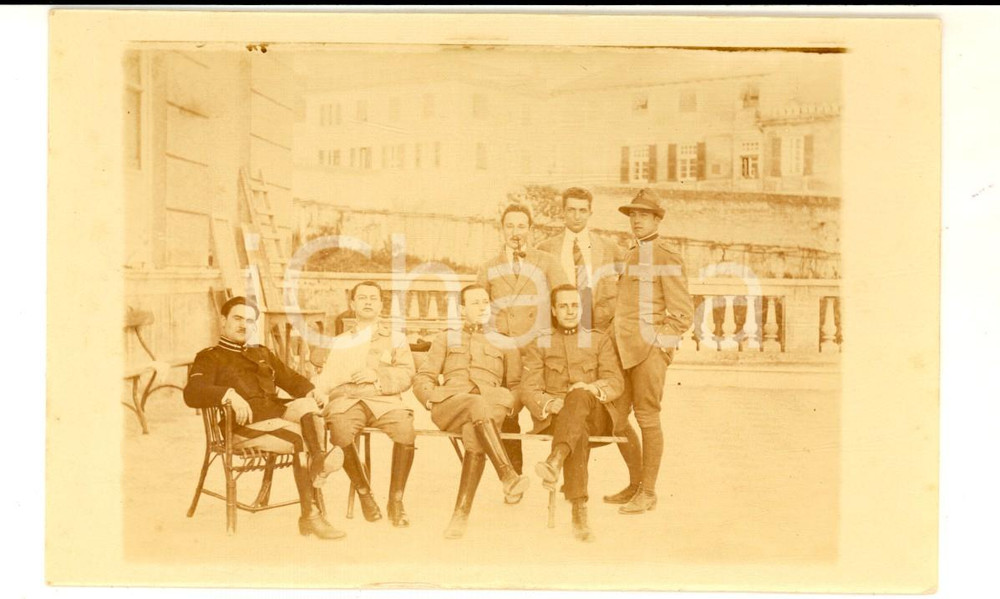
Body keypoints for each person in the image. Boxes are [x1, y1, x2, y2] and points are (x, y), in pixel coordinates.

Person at [183, 296, 345, 540]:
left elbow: (290, 379)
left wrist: (312, 390)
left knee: (309, 408)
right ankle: (310, 516)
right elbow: (192, 393)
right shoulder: (210, 356)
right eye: (237, 318)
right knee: (300, 439)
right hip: (240, 429)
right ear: (224, 320)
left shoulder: (261, 353)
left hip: (275, 415)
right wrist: (227, 394)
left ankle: (319, 462)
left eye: (250, 321)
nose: (243, 325)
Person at [536, 187, 646, 500]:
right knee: (572, 406)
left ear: (590, 212)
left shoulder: (609, 249)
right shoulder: (545, 248)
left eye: (582, 210)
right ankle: (573, 483)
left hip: (601, 340)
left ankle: (638, 484)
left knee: (618, 415)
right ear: (562, 212)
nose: (576, 215)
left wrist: (613, 336)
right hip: (563, 337)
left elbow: (628, 293)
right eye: (570, 210)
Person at [412, 284, 530, 539]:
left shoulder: (506, 343)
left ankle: (460, 515)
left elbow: (517, 385)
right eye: (475, 303)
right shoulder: (446, 338)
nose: (482, 307)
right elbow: (424, 376)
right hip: (451, 404)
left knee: (476, 431)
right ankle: (506, 474)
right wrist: (430, 399)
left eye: (485, 302)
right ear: (462, 308)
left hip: (491, 405)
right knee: (476, 405)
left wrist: (511, 405)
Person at [522, 285, 626, 542]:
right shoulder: (541, 342)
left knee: (579, 398)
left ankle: (556, 459)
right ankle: (579, 512)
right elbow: (528, 387)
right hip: (555, 417)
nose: (570, 311)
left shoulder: (599, 339)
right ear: (554, 312)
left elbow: (615, 381)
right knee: (576, 427)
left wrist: (591, 388)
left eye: (575, 306)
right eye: (564, 306)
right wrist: (547, 403)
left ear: (581, 309)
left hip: (596, 414)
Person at [612, 188, 694, 515]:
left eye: (642, 215)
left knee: (647, 417)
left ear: (657, 219)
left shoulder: (666, 255)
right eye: (632, 215)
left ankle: (648, 492)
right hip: (623, 350)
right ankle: (636, 484)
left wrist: (660, 346)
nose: (636, 221)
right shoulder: (631, 252)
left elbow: (683, 313)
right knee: (616, 420)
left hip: (649, 353)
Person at [476, 203, 569, 481]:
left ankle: (556, 472)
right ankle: (513, 477)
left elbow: (563, 297)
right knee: (508, 410)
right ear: (502, 230)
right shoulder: (489, 267)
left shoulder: (546, 262)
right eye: (510, 226)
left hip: (539, 349)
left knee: (550, 407)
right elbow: (480, 307)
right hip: (505, 351)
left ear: (530, 230)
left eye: (521, 226)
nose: (515, 232)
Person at [315, 281, 417, 528]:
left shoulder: (396, 338)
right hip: (348, 399)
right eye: (362, 298)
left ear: (381, 305)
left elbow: (407, 374)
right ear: (353, 304)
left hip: (383, 398)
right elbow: (328, 376)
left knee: (406, 429)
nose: (368, 302)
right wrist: (318, 389)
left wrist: (378, 377)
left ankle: (396, 500)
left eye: (373, 298)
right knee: (339, 429)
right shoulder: (340, 341)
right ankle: (364, 493)